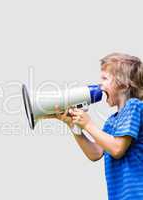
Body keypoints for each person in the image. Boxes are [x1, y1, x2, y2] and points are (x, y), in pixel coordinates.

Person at [55, 53, 143, 200]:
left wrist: (88, 124)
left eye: (105, 78)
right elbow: (96, 153)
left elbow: (117, 149)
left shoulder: (135, 106)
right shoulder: (111, 121)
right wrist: (74, 126)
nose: (100, 84)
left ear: (124, 83)